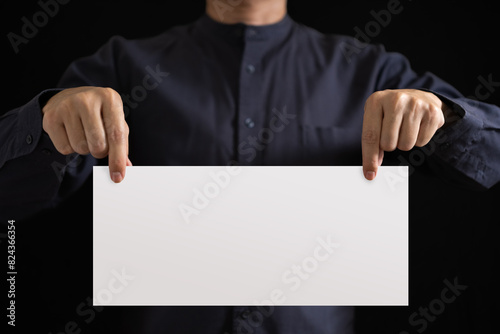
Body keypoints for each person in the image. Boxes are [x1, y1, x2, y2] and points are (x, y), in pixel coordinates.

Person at [1, 0, 499, 333]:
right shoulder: (121, 68)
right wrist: (47, 120)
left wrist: (445, 115)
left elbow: (492, 156)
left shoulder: (371, 70)